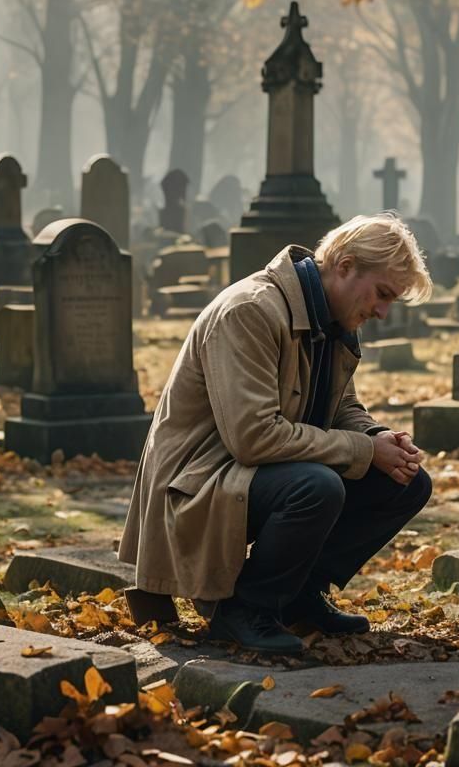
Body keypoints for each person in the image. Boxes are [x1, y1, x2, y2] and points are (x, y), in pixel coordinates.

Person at [118, 213, 434, 655]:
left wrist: (380, 439)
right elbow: (254, 437)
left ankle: (301, 594)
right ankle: (244, 610)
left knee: (405, 481)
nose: (383, 312)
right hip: (196, 485)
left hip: (248, 473)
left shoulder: (331, 319)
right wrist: (364, 449)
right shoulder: (250, 311)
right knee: (317, 487)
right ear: (344, 266)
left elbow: (341, 407)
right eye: (382, 294)